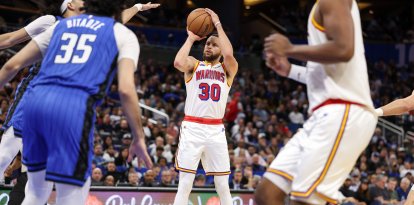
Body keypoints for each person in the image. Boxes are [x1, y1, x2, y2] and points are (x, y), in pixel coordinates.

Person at [0, 0, 153, 204]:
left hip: (35, 104)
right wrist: (139, 136)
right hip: (71, 107)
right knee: (73, 193)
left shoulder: (60, 26)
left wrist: (138, 7)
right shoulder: (122, 33)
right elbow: (125, 89)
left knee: (36, 192)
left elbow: (12, 65)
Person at [255, 0, 377, 204]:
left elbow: (343, 50)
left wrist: (290, 49)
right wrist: (290, 70)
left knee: (303, 200)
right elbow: (328, 72)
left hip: (344, 110)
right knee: (267, 194)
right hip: (325, 114)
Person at [172, 8, 238, 205]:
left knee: (222, 184)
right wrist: (191, 39)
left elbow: (228, 53)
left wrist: (217, 24)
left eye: (213, 44)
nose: (208, 46)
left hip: (216, 129)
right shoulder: (194, 64)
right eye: (207, 43)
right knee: (185, 183)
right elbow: (177, 62)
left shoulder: (228, 69)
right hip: (192, 127)